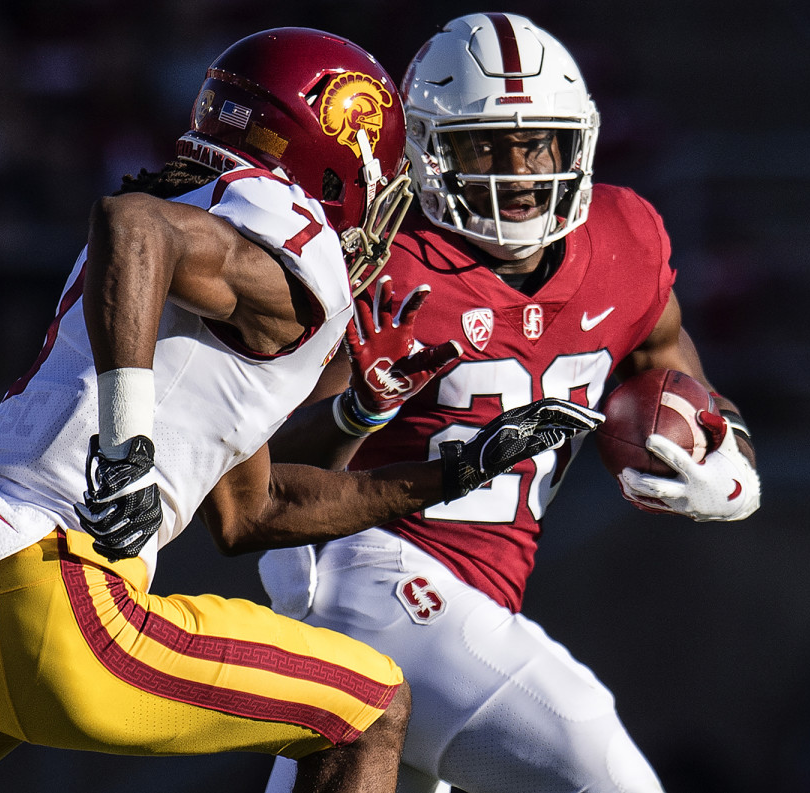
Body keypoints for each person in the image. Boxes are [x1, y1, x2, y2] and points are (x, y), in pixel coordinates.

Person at [0, 27, 603, 793]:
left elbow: (252, 511)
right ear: (338, 159)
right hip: (61, 604)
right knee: (369, 707)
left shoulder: (205, 231)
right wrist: (128, 440)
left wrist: (451, 469)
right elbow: (134, 226)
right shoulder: (289, 237)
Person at [259, 13, 761, 793]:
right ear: (426, 150)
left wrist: (728, 453)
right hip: (364, 572)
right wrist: (361, 404)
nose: (518, 172)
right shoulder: (381, 263)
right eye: (483, 146)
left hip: (478, 600)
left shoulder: (623, 239)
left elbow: (672, 367)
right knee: (600, 765)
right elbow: (262, 480)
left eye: (538, 144)